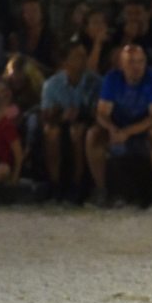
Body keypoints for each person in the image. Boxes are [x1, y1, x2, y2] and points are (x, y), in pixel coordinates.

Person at [86, 44, 152, 208]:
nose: (137, 66)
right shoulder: (112, 78)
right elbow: (102, 113)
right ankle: (101, 190)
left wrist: (127, 132)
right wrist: (112, 129)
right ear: (121, 65)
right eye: (131, 62)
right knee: (93, 134)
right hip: (120, 129)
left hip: (143, 129)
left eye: (140, 61)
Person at [41, 38, 102, 203]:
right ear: (65, 60)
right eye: (78, 56)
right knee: (50, 132)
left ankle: (77, 184)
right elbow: (46, 114)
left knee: (78, 130)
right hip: (61, 121)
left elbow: (98, 111)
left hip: (85, 122)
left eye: (84, 55)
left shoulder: (95, 81)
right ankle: (55, 185)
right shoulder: (52, 84)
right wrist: (61, 115)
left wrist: (81, 113)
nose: (83, 60)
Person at [9, 0, 56, 76]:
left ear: (42, 13)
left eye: (34, 11)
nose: (31, 15)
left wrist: (36, 65)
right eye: (27, 11)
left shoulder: (52, 38)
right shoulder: (16, 38)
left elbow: (58, 71)